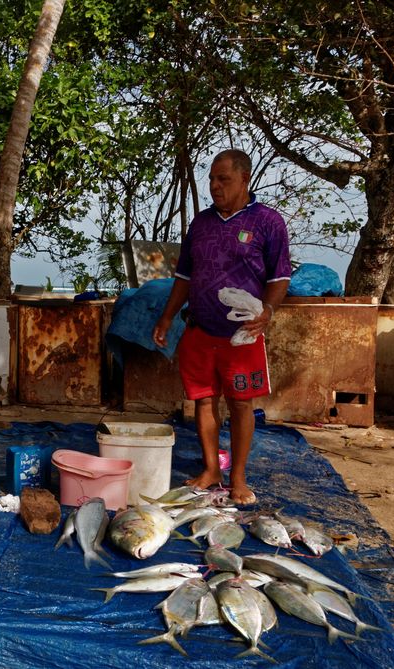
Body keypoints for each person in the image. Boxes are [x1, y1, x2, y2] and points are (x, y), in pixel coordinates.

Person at [152, 149, 291, 506]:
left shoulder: (268, 222)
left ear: (245, 179)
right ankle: (212, 469)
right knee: (202, 401)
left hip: (242, 335)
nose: (215, 186)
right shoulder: (201, 224)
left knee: (241, 404)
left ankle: (239, 477)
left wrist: (269, 310)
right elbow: (184, 276)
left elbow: (280, 277)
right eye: (212, 178)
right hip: (199, 330)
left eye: (223, 179)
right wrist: (168, 316)